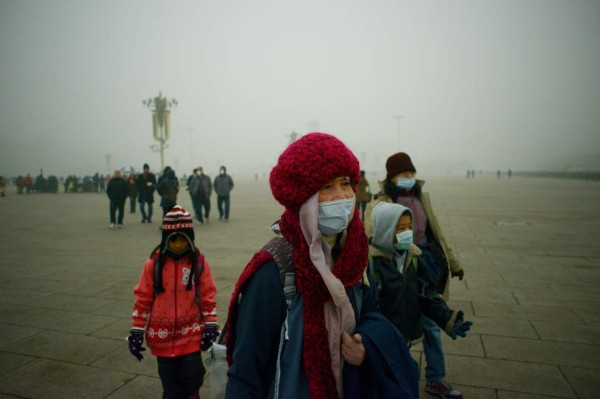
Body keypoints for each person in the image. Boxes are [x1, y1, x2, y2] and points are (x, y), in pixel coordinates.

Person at [225, 133, 418, 399]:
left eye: (346, 183)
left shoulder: (356, 256)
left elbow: (372, 312)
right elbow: (246, 369)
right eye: (327, 187)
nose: (342, 196)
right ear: (304, 199)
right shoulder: (274, 269)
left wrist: (366, 346)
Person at [364, 152, 466, 399]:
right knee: (395, 329)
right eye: (404, 174)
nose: (409, 177)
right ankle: (395, 378)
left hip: (423, 263)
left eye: (412, 173)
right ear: (392, 176)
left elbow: (436, 233)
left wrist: (453, 262)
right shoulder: (380, 202)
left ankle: (435, 379)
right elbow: (371, 236)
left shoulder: (421, 198)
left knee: (430, 323)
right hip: (394, 266)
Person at [127, 206, 219, 399]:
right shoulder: (153, 265)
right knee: (170, 382)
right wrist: (137, 330)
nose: (179, 244)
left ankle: (192, 394)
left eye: (183, 239)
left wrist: (210, 324)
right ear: (165, 238)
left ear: (190, 238)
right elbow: (143, 299)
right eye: (174, 239)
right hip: (162, 336)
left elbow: (208, 296)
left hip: (191, 332)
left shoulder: (198, 263)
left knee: (194, 374)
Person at [368, 202, 471, 348]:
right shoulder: (371, 263)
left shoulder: (414, 258)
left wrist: (447, 318)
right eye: (401, 228)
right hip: (381, 341)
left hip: (406, 337)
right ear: (386, 230)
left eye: (410, 227)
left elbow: (427, 294)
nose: (408, 233)